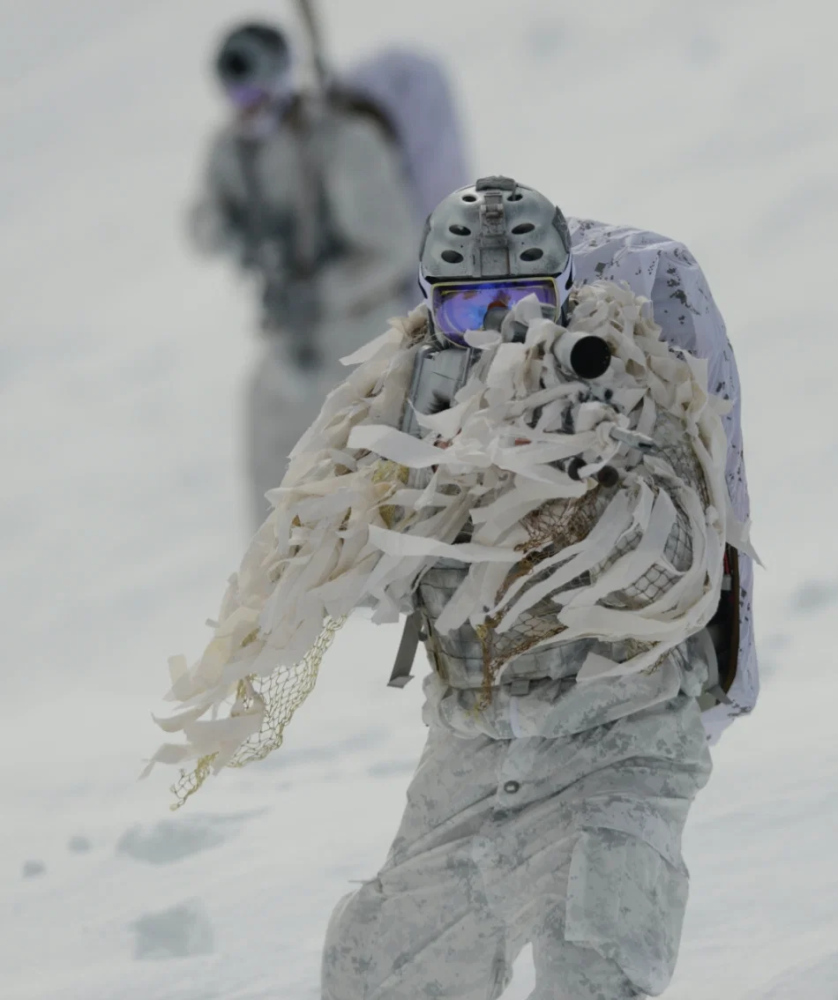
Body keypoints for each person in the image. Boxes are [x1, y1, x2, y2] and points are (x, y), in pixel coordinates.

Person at [153, 177, 757, 998]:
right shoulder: (409, 395)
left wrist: (591, 473)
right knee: (385, 964)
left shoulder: (628, 384)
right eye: (472, 311)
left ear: (565, 295)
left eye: (522, 302)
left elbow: (684, 569)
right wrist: (425, 477)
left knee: (602, 956)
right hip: (479, 736)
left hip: (626, 735)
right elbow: (362, 577)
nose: (500, 331)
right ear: (434, 310)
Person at [188, 21, 423, 527]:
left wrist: (322, 293)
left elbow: (393, 247)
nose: (245, 104)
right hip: (293, 343)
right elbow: (202, 228)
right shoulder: (233, 153)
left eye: (255, 87)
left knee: (377, 490)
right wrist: (236, 232)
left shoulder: (340, 142)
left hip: (363, 332)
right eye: (234, 91)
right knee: (273, 475)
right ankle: (277, 590)